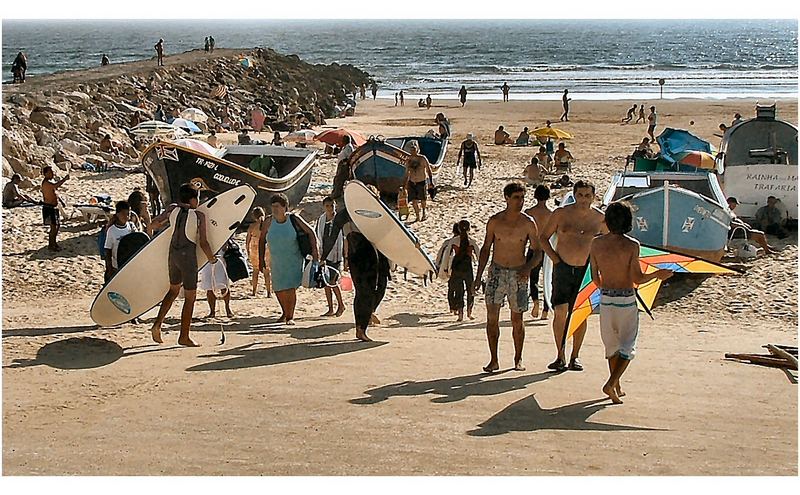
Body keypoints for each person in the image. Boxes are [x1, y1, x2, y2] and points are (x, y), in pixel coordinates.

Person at [589, 202, 673, 404]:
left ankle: (615, 385)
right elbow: (637, 277)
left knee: (611, 344)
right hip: (626, 299)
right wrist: (658, 275)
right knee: (628, 345)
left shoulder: (596, 244)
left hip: (607, 298)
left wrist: (605, 288)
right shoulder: (632, 245)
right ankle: (611, 383)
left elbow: (594, 277)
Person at [539, 180, 607, 372]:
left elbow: (609, 242)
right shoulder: (561, 214)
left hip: (585, 270)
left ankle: (574, 356)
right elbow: (543, 238)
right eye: (580, 195)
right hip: (563, 266)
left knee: (580, 313)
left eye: (587, 195)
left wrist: (600, 266)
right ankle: (559, 354)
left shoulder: (600, 218)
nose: (583, 199)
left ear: (594, 197)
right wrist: (555, 259)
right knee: (560, 311)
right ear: (574, 195)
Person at [473, 182, 542, 372]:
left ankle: (518, 358)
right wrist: (478, 276)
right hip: (497, 272)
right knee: (492, 317)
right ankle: (493, 359)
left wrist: (528, 268)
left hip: (518, 273)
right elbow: (486, 248)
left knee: (517, 319)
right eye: (516, 198)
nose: (520, 202)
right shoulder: (495, 221)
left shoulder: (528, 223)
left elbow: (537, 251)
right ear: (507, 198)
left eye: (522, 198)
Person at [147, 184, 216, 346]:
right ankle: (184, 336)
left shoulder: (172, 209)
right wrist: (211, 258)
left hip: (173, 254)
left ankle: (157, 325)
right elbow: (204, 242)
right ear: (193, 199)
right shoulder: (199, 216)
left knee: (173, 290)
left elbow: (154, 224)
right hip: (187, 257)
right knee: (190, 297)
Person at [322, 195, 390, 341]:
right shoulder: (359, 212)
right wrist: (323, 258)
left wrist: (322, 257)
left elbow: (331, 238)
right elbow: (331, 238)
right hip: (365, 256)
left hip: (360, 256)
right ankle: (361, 328)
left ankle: (361, 327)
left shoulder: (345, 214)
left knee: (363, 292)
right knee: (365, 292)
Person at [258, 193, 320, 325]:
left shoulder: (294, 219)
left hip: (294, 259)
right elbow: (262, 239)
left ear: (284, 206)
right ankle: (284, 312)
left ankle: (290, 316)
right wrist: (261, 259)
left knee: (290, 288)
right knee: (278, 288)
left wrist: (315, 251)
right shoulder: (269, 221)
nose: (274, 209)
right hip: (276, 260)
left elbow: (311, 232)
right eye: (273, 206)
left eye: (277, 206)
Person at [524, 185, 554, 319]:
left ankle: (535, 302)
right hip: (547, 250)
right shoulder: (551, 214)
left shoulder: (529, 212)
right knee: (548, 280)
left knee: (533, 278)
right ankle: (546, 310)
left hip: (533, 248)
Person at [316, 197, 347, 317]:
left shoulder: (339, 219)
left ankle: (341, 304)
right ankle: (330, 308)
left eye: (332, 205)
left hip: (336, 254)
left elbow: (345, 238)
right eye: (327, 206)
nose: (330, 208)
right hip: (324, 254)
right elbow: (318, 235)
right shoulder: (322, 219)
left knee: (333, 282)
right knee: (325, 282)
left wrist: (346, 257)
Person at [448, 220, 480, 321]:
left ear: (458, 229)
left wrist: (445, 269)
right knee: (470, 289)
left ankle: (460, 314)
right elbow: (479, 256)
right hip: (467, 267)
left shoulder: (453, 241)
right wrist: (481, 270)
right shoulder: (472, 241)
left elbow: (446, 256)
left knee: (459, 290)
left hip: (456, 267)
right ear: (469, 229)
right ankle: (469, 313)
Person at [103, 201, 137, 283]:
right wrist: (109, 269)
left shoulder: (131, 227)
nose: (126, 216)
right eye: (123, 214)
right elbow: (108, 250)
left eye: (128, 214)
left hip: (129, 263)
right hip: (117, 266)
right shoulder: (112, 230)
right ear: (117, 214)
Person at [403, 142, 434, 221]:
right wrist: (404, 185)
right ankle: (417, 216)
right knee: (414, 200)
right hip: (412, 182)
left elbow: (428, 170)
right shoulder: (408, 160)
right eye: (411, 149)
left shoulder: (422, 159)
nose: (413, 151)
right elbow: (406, 173)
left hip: (421, 181)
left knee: (423, 199)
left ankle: (424, 212)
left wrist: (431, 182)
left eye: (414, 149)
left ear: (418, 150)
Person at [200, 244, 233, 319]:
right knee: (209, 287)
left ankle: (227, 308)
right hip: (206, 257)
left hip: (220, 256)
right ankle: (212, 311)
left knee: (224, 285)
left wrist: (224, 247)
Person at [41, 166, 69, 252]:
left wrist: (61, 201)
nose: (52, 174)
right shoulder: (46, 183)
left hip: (54, 207)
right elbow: (55, 186)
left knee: (57, 226)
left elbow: (55, 192)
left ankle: (54, 243)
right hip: (49, 207)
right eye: (50, 172)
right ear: (45, 174)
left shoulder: (50, 181)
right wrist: (64, 179)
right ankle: (51, 245)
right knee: (53, 227)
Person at [246, 207, 271, 297]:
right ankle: (268, 292)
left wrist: (248, 251)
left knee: (255, 271)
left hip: (254, 249)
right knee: (267, 272)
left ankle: (254, 291)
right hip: (265, 249)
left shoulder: (252, 226)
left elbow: (247, 240)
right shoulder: (267, 226)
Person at [331, 135, 355, 204]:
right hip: (341, 165)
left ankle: (337, 194)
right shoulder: (346, 147)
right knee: (337, 180)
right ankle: (337, 193)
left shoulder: (349, 147)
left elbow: (350, 157)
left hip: (344, 166)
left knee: (339, 180)